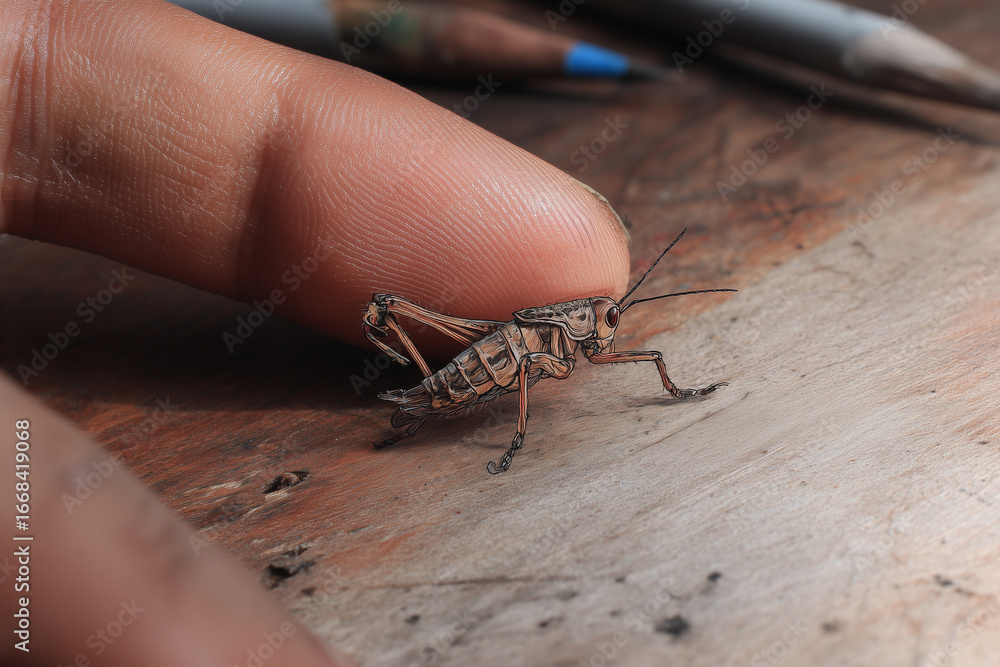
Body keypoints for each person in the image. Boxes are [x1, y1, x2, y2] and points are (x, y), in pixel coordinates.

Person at [0, 1, 629, 665]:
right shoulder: (556, 323)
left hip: (500, 353)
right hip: (487, 355)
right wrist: (517, 436)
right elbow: (526, 364)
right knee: (489, 343)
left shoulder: (576, 327)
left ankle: (417, 398)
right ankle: (422, 393)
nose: (611, 331)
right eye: (608, 320)